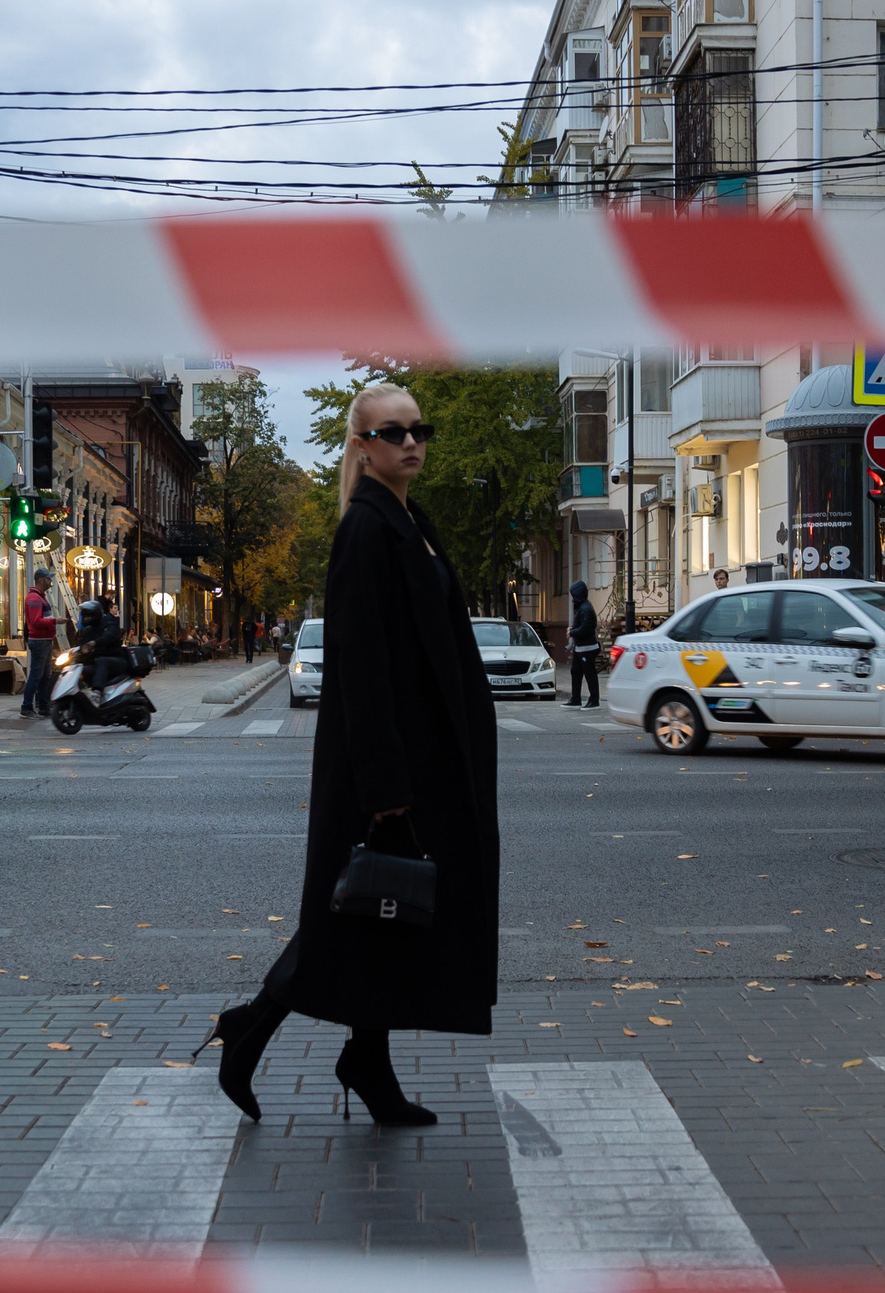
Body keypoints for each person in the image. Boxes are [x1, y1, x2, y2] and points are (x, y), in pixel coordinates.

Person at [195, 383, 498, 1127]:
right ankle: (253, 1029)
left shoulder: (407, 519)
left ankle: (363, 1057)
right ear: (363, 445)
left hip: (423, 762)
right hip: (393, 770)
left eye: (419, 428)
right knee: (356, 915)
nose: (412, 442)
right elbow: (360, 666)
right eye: (394, 432)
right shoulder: (366, 530)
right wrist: (386, 787)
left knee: (384, 917)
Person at [18, 569, 57, 717]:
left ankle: (44, 706)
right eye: (48, 579)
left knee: (45, 675)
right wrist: (55, 621)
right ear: (41, 580)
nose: (50, 581)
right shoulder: (35, 598)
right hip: (40, 641)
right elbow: (35, 621)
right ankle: (26, 707)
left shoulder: (40, 597)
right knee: (36, 674)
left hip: (44, 641)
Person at [564, 579, 600, 709]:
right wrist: (572, 629)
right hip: (580, 647)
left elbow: (586, 628)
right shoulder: (581, 607)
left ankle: (594, 700)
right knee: (576, 672)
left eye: (573, 595)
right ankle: (575, 698)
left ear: (578, 594)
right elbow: (580, 624)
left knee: (590, 674)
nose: (572, 599)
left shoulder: (586, 609)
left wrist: (572, 632)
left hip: (587, 647)